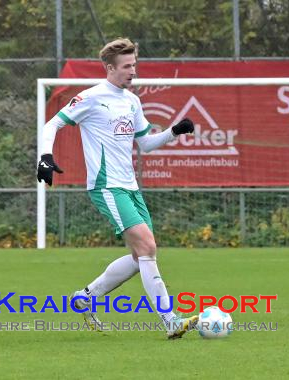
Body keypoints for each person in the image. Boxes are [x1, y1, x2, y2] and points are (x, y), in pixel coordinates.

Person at [37, 38, 197, 339]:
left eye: (134, 65)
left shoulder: (132, 101)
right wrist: (45, 157)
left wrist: (174, 131)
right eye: (126, 66)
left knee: (141, 257)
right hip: (106, 186)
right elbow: (51, 126)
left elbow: (145, 144)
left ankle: (85, 297)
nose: (132, 71)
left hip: (130, 187)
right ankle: (171, 321)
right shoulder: (91, 98)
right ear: (110, 68)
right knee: (148, 248)